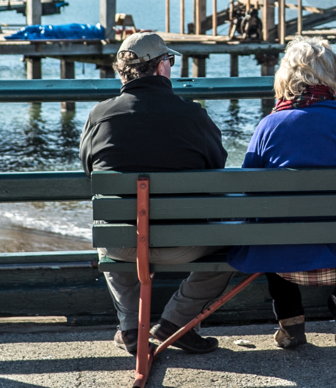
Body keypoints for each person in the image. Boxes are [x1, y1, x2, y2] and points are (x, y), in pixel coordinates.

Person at [227, 36, 336, 350]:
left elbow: (248, 188)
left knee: (271, 230)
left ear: (285, 76)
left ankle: (290, 322)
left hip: (282, 258)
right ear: (332, 77)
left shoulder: (270, 125)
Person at [79, 31, 230, 356]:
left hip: (123, 244)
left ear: (122, 72)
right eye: (170, 60)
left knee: (115, 223)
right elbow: (217, 167)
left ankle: (132, 328)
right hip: (184, 244)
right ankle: (176, 323)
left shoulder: (99, 116)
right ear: (161, 67)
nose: (171, 66)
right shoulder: (192, 115)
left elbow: (89, 171)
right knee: (238, 242)